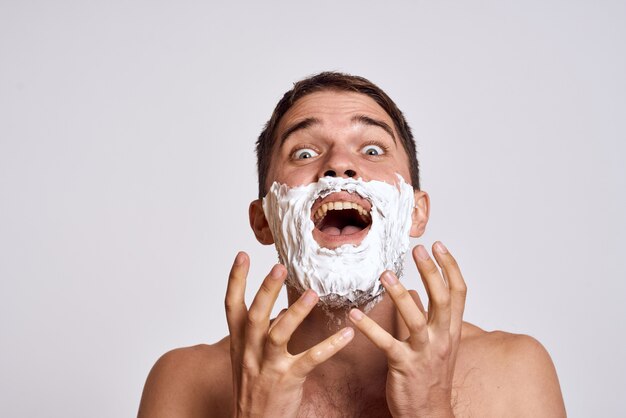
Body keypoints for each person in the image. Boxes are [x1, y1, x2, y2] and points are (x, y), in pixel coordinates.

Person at [137, 72, 566, 417]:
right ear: (265, 220)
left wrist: (430, 410)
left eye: (373, 149)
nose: (339, 165)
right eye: (304, 154)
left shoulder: (514, 372)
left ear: (416, 212)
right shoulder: (183, 381)